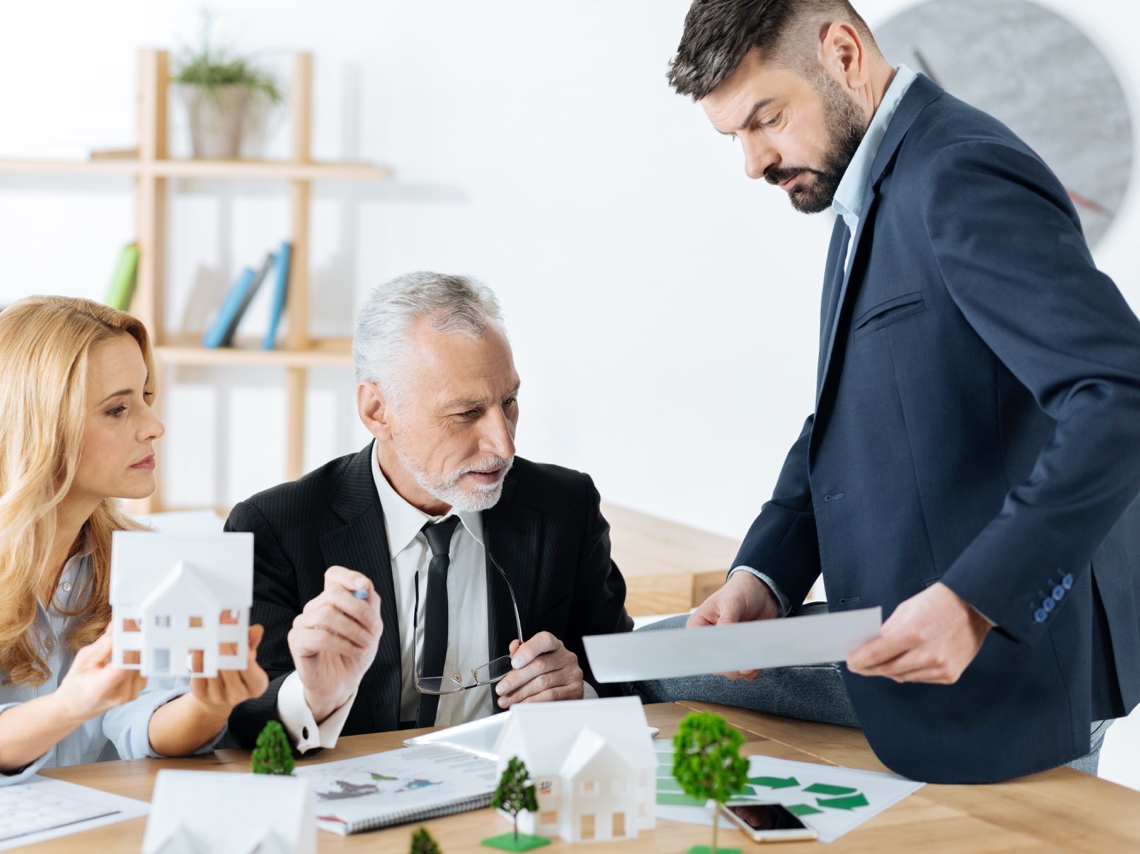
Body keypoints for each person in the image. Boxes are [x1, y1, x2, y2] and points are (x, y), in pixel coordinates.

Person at [644, 0, 1140, 783]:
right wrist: (763, 577)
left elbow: (1118, 395)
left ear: (843, 53)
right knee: (650, 662)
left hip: (1008, 662)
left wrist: (977, 598)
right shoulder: (862, 185)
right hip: (905, 655)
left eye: (766, 119)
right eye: (733, 136)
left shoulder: (959, 171)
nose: (752, 162)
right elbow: (845, 416)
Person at [0, 295, 269, 785]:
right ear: (37, 427)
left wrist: (208, 703)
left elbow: (143, 721)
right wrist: (72, 704)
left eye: (145, 398)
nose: (154, 428)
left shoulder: (130, 552)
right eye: (117, 409)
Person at [223, 271, 633, 753]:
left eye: (509, 402)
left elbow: (626, 679)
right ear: (378, 410)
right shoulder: (273, 528)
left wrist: (577, 694)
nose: (503, 443)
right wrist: (312, 697)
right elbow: (240, 717)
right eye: (465, 413)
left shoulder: (565, 506)